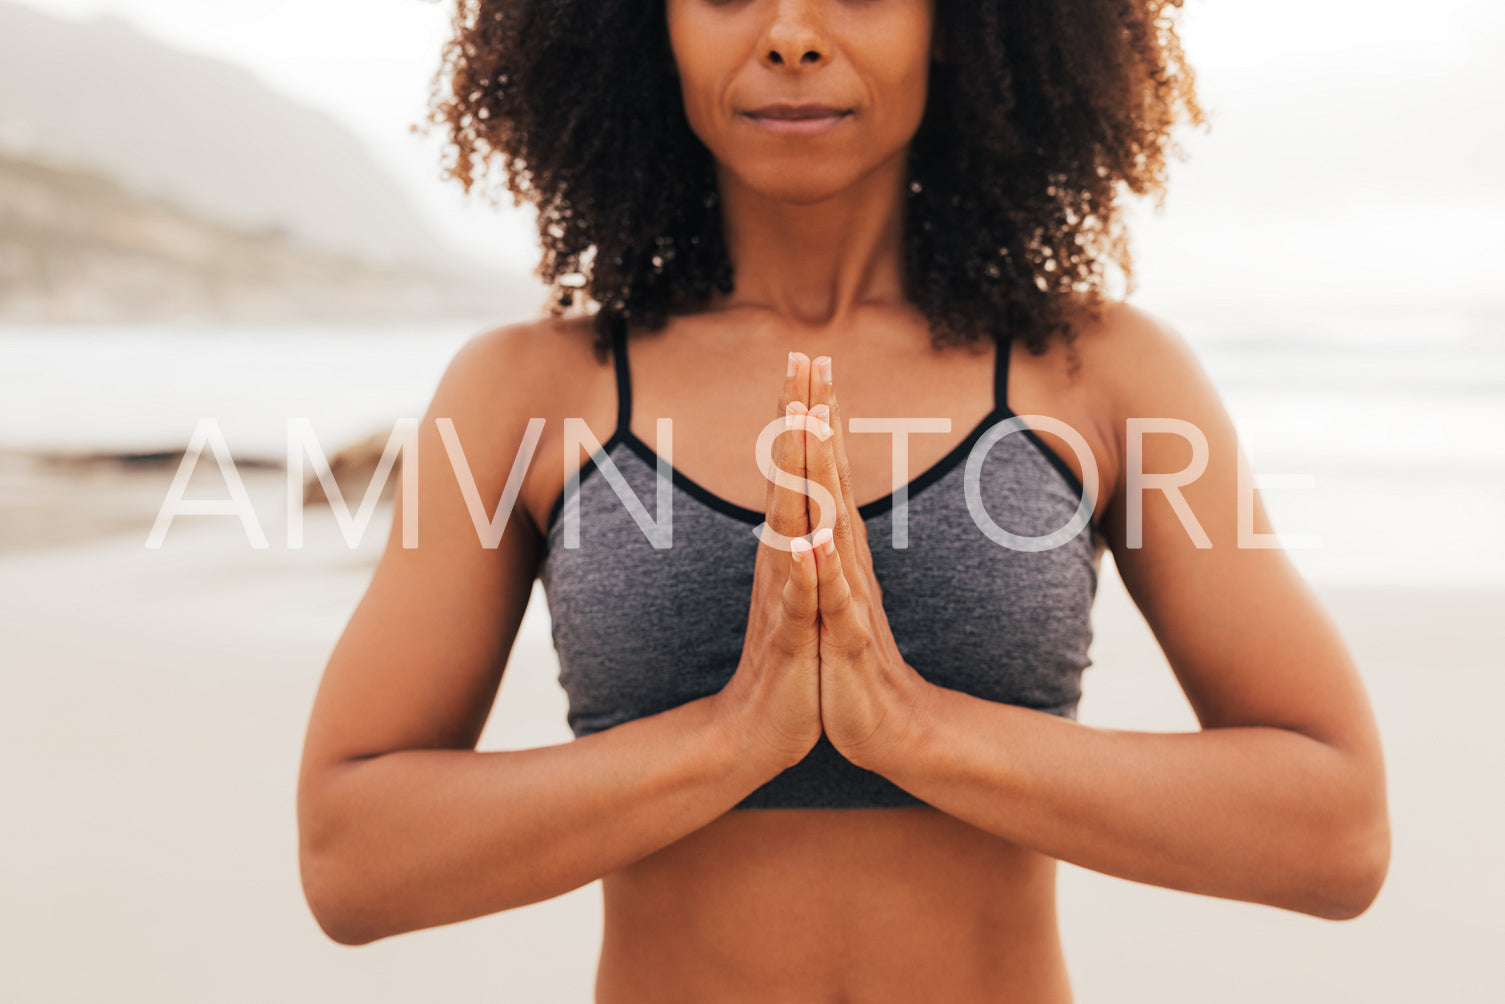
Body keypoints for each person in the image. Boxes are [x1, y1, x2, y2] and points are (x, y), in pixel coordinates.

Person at [296, 1, 1391, 999]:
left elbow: (1332, 827)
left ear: (957, 25)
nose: (789, 34)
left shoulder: (1094, 375)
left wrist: (912, 730)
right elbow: (352, 858)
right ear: (647, 30)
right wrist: (732, 737)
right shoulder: (529, 393)